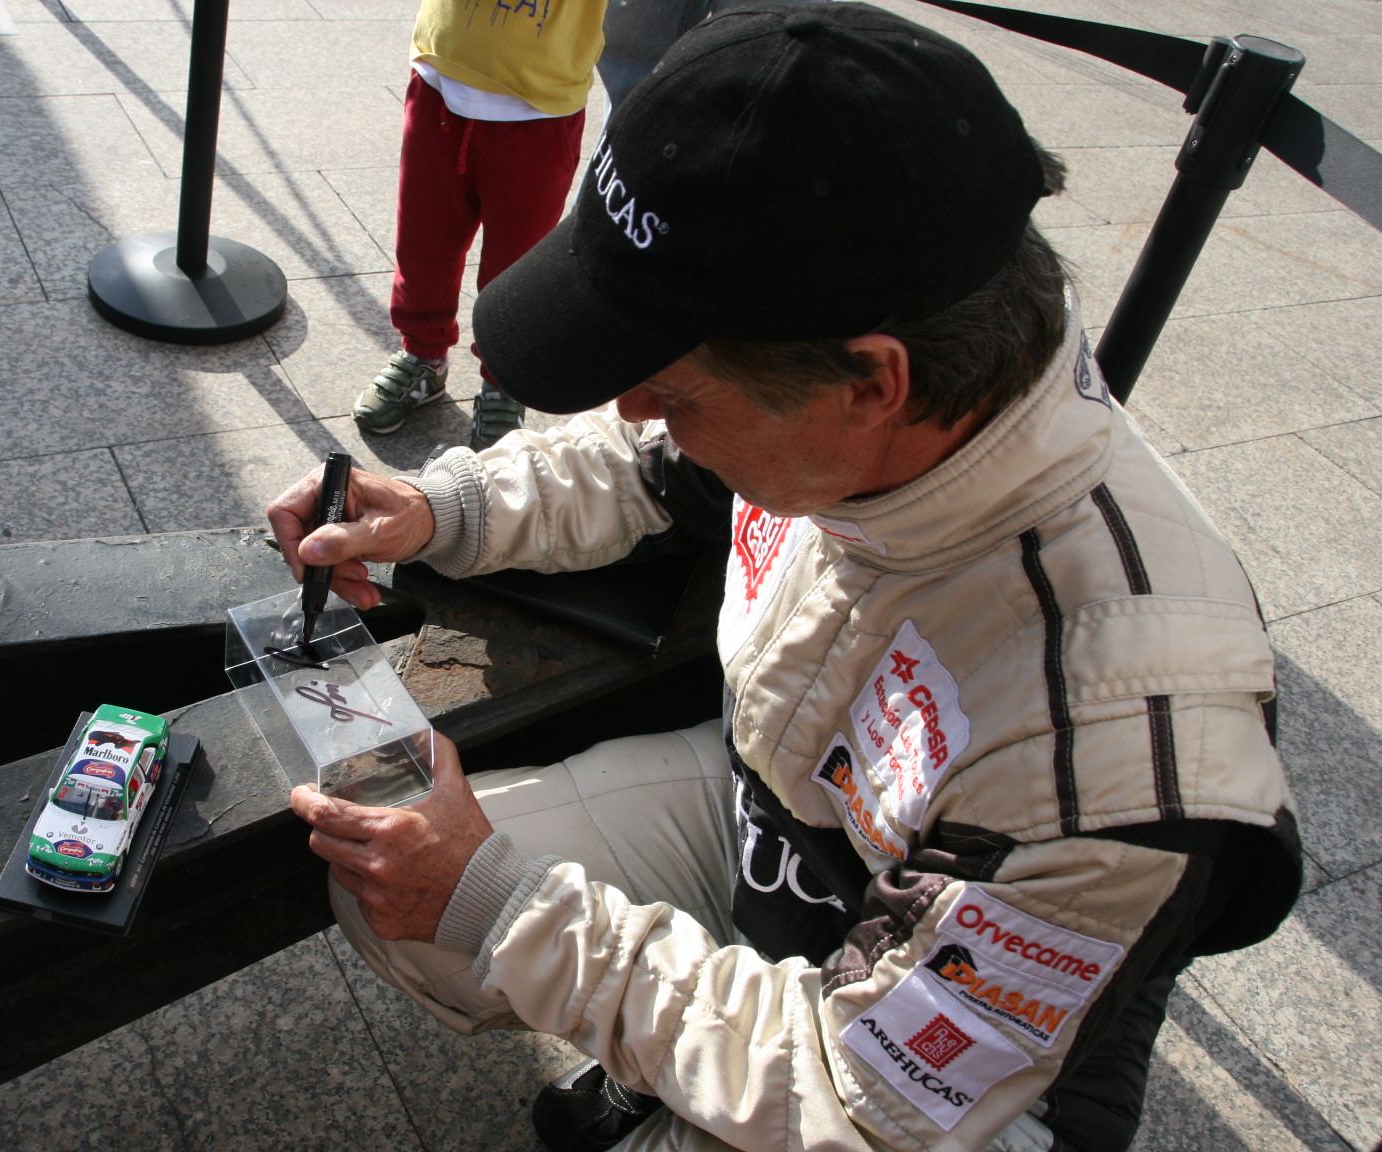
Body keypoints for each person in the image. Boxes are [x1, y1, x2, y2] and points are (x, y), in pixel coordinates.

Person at [269, 6, 1301, 1150]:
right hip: (781, 816)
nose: (634, 406)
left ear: (871, 385)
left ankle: (678, 1060)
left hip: (937, 1089)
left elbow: (872, 1101)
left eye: (674, 388)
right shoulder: (874, 401)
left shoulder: (1105, 745)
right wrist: (437, 510)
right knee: (396, 876)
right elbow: (645, 462)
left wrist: (514, 911)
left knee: (479, 905)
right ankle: (674, 1041)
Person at [352, 0, 607, 451]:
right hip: (441, 74)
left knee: (516, 268)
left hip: (539, 105)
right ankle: (423, 355)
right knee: (423, 242)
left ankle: (503, 383)